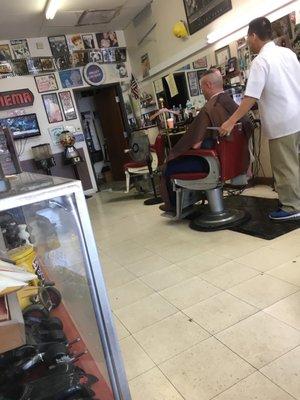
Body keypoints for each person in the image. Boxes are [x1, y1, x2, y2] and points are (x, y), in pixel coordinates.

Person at [220, 17, 300, 221]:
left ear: (253, 36)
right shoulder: (288, 53)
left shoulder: (260, 61)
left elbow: (250, 97)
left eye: (248, 37)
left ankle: (292, 207)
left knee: (285, 166)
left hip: (282, 122)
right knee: (296, 162)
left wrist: (231, 121)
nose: (248, 41)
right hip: (297, 116)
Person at [160, 68, 254, 212]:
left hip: (213, 163)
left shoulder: (209, 108)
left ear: (209, 85)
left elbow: (196, 145)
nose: (202, 91)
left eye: (202, 87)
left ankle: (175, 207)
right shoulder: (232, 104)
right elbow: (247, 127)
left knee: (169, 166)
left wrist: (177, 151)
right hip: (232, 161)